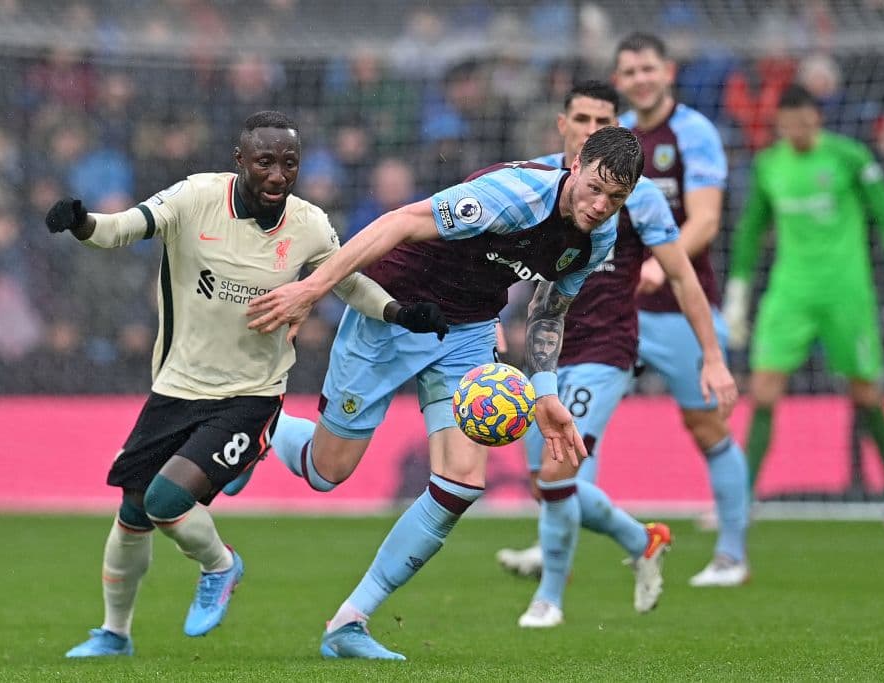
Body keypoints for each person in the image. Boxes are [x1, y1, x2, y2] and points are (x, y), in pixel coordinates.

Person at [226, 125, 647, 660]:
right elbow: (400, 221)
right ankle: (255, 429)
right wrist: (312, 290)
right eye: (596, 187)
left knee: (462, 482)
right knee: (325, 473)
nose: (600, 205)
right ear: (579, 162)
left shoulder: (599, 235)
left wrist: (544, 390)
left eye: (617, 198)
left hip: (467, 331)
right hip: (393, 308)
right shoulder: (511, 198)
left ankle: (349, 623)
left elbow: (547, 309)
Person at [48, 111, 447, 658]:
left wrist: (401, 313)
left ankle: (221, 565)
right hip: (176, 387)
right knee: (133, 512)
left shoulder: (307, 224)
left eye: (289, 163)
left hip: (251, 395)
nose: (278, 174)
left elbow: (347, 282)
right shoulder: (195, 198)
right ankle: (114, 634)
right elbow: (124, 229)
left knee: (167, 499)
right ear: (240, 161)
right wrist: (81, 222)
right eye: (266, 162)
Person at [496, 81, 737, 629]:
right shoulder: (533, 179)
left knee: (559, 473)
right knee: (551, 483)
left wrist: (712, 355)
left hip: (605, 347)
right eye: (582, 118)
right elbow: (490, 256)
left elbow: (682, 275)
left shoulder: (639, 195)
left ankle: (549, 599)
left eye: (603, 119)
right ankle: (641, 539)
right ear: (564, 126)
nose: (591, 128)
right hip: (544, 351)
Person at [723, 85, 884, 531]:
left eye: (804, 123)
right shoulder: (768, 165)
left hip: (846, 291)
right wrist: (738, 292)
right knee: (763, 389)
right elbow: (751, 231)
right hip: (790, 291)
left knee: (865, 391)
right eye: (787, 125)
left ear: (817, 119)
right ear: (779, 125)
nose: (796, 132)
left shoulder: (849, 157)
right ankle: (744, 498)